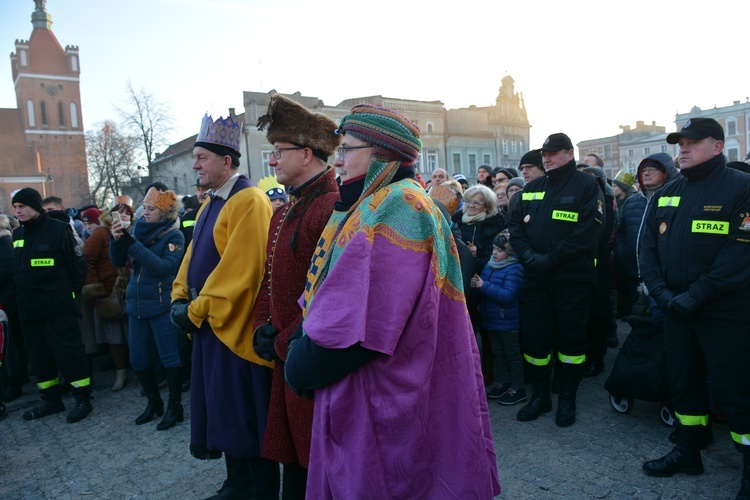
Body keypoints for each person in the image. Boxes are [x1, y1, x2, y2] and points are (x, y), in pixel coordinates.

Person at [283, 103, 501, 498]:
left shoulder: (400, 205)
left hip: (383, 395)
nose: (338, 158)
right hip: (368, 388)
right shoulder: (374, 199)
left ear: (380, 153)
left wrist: (304, 361)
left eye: (347, 149)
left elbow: (367, 321)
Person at [639, 118, 750, 498]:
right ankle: (688, 449)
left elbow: (740, 253)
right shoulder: (668, 192)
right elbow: (648, 248)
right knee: (684, 383)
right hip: (675, 309)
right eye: (680, 142)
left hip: (724, 312)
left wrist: (696, 295)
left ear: (718, 147)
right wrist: (662, 294)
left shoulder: (743, 188)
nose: (683, 149)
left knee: (737, 390)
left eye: (693, 142)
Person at [170, 113, 277, 498]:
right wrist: (179, 296)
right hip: (211, 326)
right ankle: (237, 483)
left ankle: (258, 490)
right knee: (224, 410)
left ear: (226, 162)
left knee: (244, 414)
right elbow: (191, 257)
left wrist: (195, 311)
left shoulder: (248, 199)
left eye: (201, 157)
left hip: (235, 327)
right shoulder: (210, 203)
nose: (195, 165)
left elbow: (240, 270)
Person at [252, 94, 341, 498]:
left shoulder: (332, 208)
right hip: (284, 355)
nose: (272, 161)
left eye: (278, 152)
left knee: (318, 458)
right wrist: (262, 326)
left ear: (306, 154)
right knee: (295, 460)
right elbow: (269, 276)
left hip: (310, 358)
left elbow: (332, 295)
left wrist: (287, 338)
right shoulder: (284, 210)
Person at [508, 133, 604, 427]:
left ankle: (567, 398)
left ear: (569, 153)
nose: (547, 158)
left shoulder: (587, 186)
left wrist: (549, 259)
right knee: (536, 341)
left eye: (553, 153)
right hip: (536, 279)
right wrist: (529, 256)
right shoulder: (532, 187)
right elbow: (515, 225)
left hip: (571, 279)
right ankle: (540, 396)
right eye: (544, 154)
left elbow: (587, 233)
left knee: (570, 342)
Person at [11, 187, 92, 423]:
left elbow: (78, 268)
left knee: (69, 353)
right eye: (15, 208)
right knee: (39, 358)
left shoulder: (58, 230)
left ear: (35, 207)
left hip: (57, 308)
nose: (18, 211)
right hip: (30, 309)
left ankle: (82, 398)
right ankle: (51, 399)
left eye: (22, 207)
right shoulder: (18, 235)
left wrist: (68, 297)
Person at [110, 187, 184, 430]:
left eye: (151, 209)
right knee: (138, 359)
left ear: (164, 212)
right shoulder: (138, 231)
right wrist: (116, 239)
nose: (144, 212)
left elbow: (163, 268)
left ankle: (175, 406)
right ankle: (154, 403)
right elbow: (119, 262)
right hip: (137, 305)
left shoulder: (175, 236)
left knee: (169, 357)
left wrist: (130, 243)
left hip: (162, 305)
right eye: (145, 207)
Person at [614, 153, 679, 318]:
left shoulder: (677, 198)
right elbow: (622, 232)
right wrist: (622, 254)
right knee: (638, 320)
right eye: (643, 170)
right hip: (633, 273)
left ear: (666, 172)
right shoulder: (632, 202)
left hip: (662, 279)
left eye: (652, 170)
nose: (646, 173)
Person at [472, 231, 525, 404]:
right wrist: (477, 286)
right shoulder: (490, 264)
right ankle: (501, 382)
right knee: (498, 353)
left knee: (512, 355)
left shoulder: (515, 268)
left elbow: (509, 295)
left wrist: (484, 286)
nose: (494, 253)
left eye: (499, 250)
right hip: (491, 319)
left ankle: (518, 387)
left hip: (507, 321)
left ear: (510, 253)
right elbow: (484, 285)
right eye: (494, 249)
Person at [81, 206, 130, 392]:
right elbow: (87, 259)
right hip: (109, 292)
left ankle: (137, 368)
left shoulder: (134, 230)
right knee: (115, 335)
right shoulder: (102, 232)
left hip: (131, 292)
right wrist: (95, 286)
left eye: (128, 213)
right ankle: (120, 372)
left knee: (132, 333)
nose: (123, 215)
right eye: (120, 211)